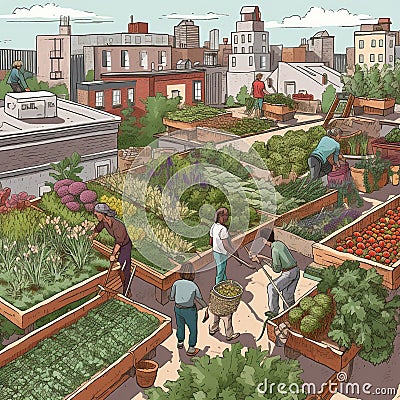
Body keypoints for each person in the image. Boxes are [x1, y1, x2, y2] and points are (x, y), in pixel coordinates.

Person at [89, 203, 132, 296]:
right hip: (119, 245)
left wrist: (113, 255)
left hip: (125, 246)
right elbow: (97, 230)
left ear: (103, 214)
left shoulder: (118, 226)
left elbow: (119, 243)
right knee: (119, 265)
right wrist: (91, 237)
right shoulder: (104, 222)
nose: (96, 216)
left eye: (97, 214)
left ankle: (126, 291)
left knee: (123, 267)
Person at [169, 262, 207, 357]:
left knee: (180, 326)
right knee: (193, 329)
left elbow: (171, 297)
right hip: (190, 310)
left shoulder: (176, 283)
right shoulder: (193, 286)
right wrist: (206, 306)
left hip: (178, 308)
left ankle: (180, 342)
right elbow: (199, 298)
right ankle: (191, 348)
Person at [260, 231, 300, 317]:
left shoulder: (274, 250)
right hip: (296, 271)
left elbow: (277, 269)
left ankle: (274, 313)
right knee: (287, 295)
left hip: (288, 274)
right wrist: (262, 258)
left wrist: (263, 260)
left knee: (271, 287)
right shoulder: (279, 244)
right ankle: (291, 314)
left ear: (264, 240)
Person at [209, 207, 238, 285]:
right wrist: (234, 252)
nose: (227, 217)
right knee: (220, 271)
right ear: (221, 216)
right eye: (226, 215)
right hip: (222, 253)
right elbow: (226, 245)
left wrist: (215, 246)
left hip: (216, 252)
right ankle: (217, 287)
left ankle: (224, 282)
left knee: (222, 269)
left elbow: (211, 241)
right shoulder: (223, 229)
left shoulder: (214, 226)